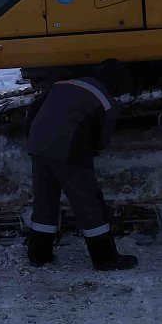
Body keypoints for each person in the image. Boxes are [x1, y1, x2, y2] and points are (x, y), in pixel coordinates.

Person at [25, 59, 138, 270]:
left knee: (45, 201)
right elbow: (102, 140)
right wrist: (88, 151)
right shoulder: (106, 101)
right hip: (66, 150)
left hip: (37, 145)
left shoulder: (64, 83)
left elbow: (34, 109)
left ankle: (38, 255)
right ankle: (105, 259)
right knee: (89, 203)